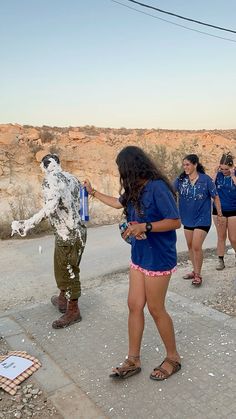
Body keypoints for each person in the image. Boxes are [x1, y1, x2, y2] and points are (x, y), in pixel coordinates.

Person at [84, 145, 182, 381]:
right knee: (134, 305)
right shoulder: (134, 189)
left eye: (122, 169)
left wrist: (145, 226)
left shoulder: (157, 187)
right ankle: (133, 359)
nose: (121, 174)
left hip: (159, 257)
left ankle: (173, 358)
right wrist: (93, 192)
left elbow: (175, 221)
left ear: (131, 167)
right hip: (139, 256)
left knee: (156, 309)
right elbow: (118, 204)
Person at [11, 154, 87, 329]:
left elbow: (50, 207)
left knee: (69, 272)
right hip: (78, 232)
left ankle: (73, 310)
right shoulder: (72, 178)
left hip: (67, 235)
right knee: (63, 268)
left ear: (44, 167)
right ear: (58, 163)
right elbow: (80, 205)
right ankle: (62, 300)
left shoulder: (50, 180)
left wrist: (27, 224)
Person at [173, 154, 223, 287]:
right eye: (184, 165)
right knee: (190, 246)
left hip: (202, 219)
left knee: (196, 245)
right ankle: (194, 271)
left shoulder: (206, 180)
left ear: (195, 164)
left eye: (188, 164)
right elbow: (169, 191)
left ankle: (198, 275)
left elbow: (216, 197)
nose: (185, 167)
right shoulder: (181, 180)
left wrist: (220, 214)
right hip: (187, 218)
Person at [212, 153, 236, 270]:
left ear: (231, 167)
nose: (224, 171)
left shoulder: (234, 174)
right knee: (221, 236)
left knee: (233, 238)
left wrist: (232, 176)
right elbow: (211, 188)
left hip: (233, 210)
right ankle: (220, 260)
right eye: (222, 168)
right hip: (218, 210)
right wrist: (216, 173)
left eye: (226, 169)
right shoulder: (218, 174)